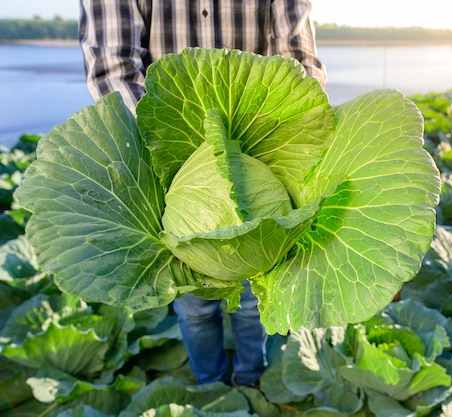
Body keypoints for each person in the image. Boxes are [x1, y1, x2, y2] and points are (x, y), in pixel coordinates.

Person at [78, 0, 327, 388]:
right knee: (194, 307)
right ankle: (210, 385)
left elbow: (297, 56)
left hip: (259, 151)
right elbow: (113, 67)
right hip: (167, 162)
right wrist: (166, 142)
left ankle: (251, 380)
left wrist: (278, 132)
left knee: (254, 302)